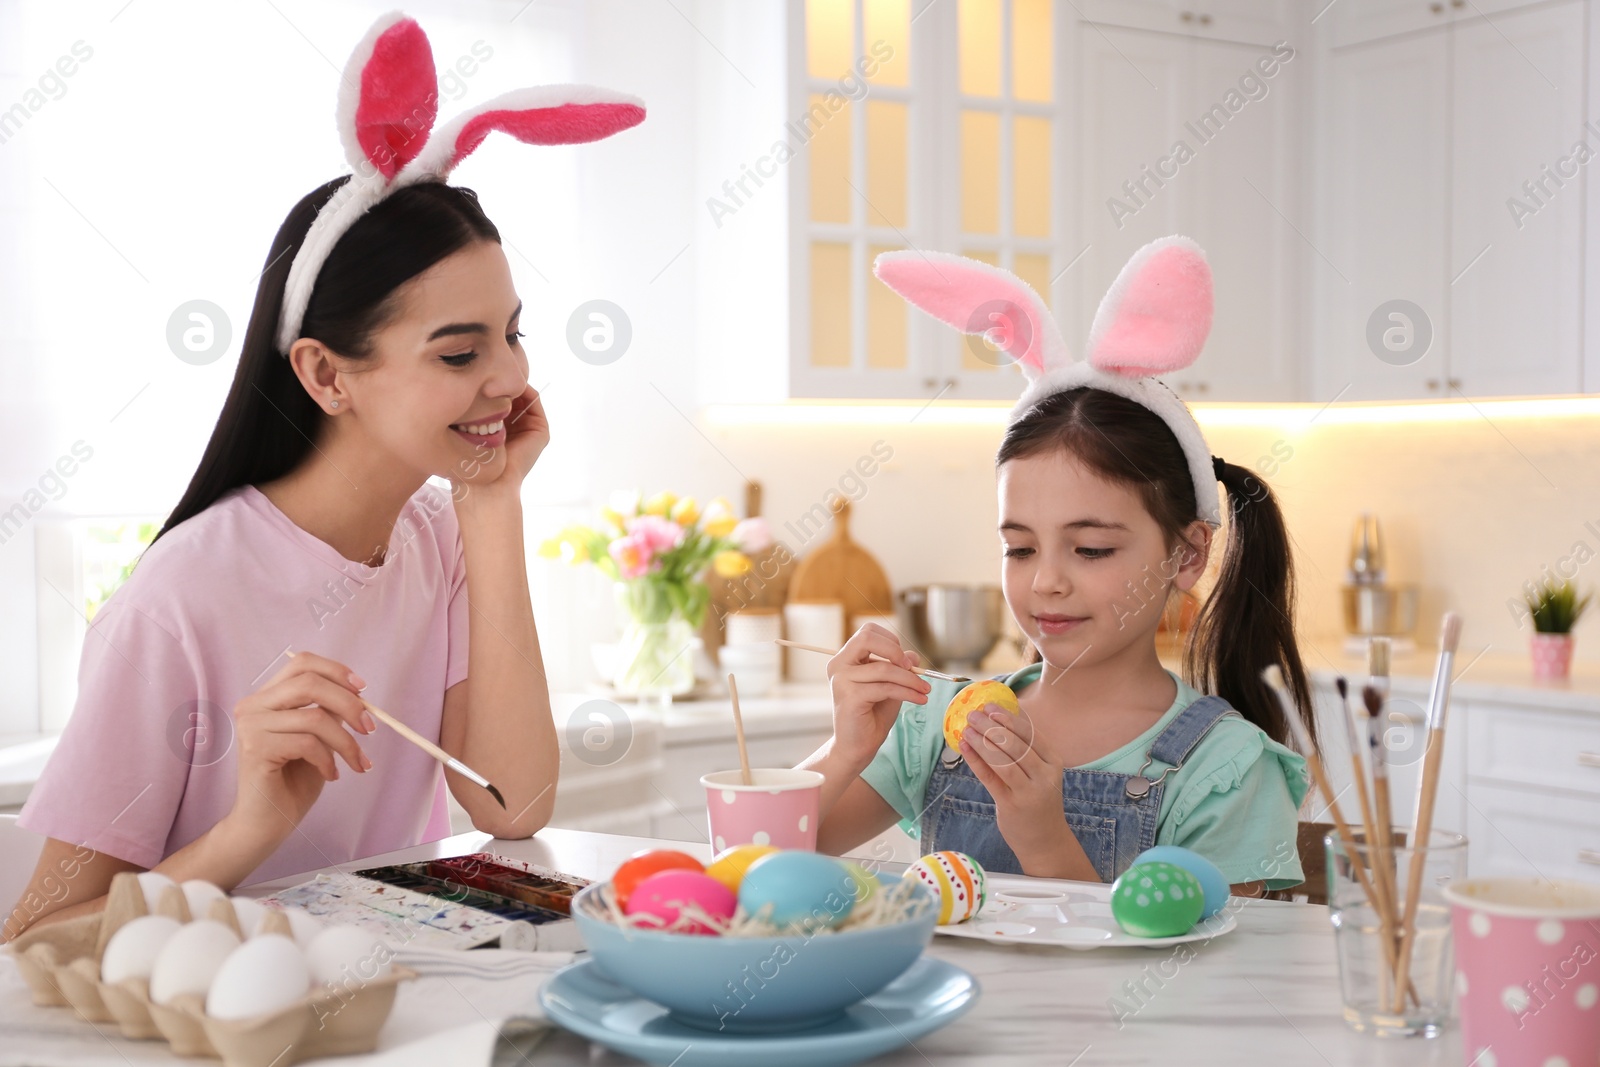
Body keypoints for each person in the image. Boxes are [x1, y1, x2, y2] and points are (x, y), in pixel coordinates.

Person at [3, 13, 644, 940]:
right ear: (325, 374)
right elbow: (34, 937)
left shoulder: (440, 536)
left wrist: (491, 501)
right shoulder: (178, 597)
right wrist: (251, 825)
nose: (511, 377)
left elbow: (513, 804)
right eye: (460, 353)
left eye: (513, 333)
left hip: (389, 999)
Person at [802, 236, 1312, 895]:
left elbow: (1203, 989)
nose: (1045, 580)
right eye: (1020, 547)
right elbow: (757, 861)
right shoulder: (937, 727)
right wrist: (844, 751)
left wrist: (1046, 841)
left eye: (1091, 548)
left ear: (1187, 553)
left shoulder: (1227, 770)